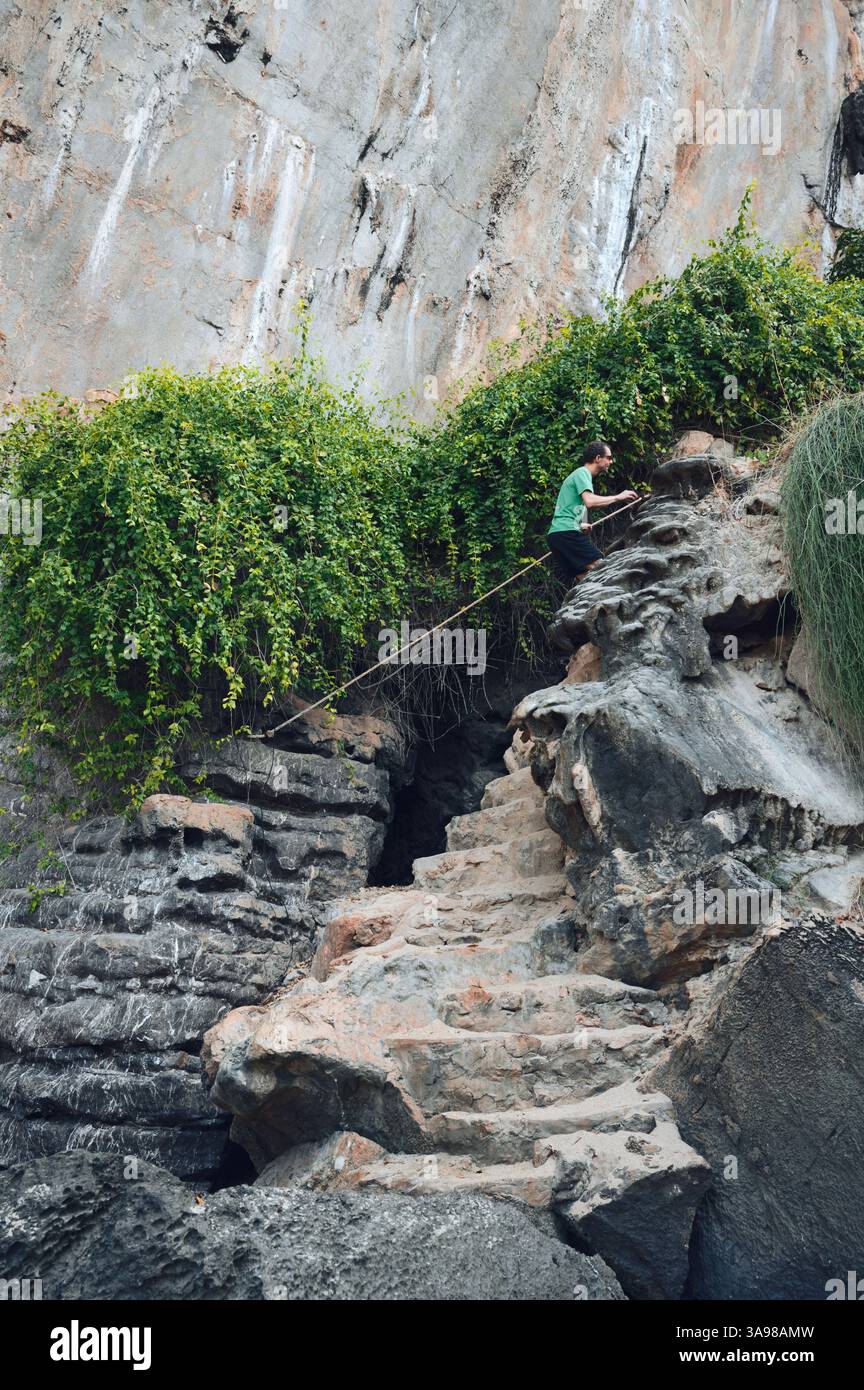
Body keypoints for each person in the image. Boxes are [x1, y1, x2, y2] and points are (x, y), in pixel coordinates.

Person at [546, 440, 637, 584]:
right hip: (567, 532)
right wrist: (618, 497)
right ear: (597, 458)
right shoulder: (583, 473)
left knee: (586, 580)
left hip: (556, 535)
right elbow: (590, 501)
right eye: (609, 457)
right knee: (602, 569)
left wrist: (583, 523)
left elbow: (575, 504)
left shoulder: (580, 476)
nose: (611, 461)